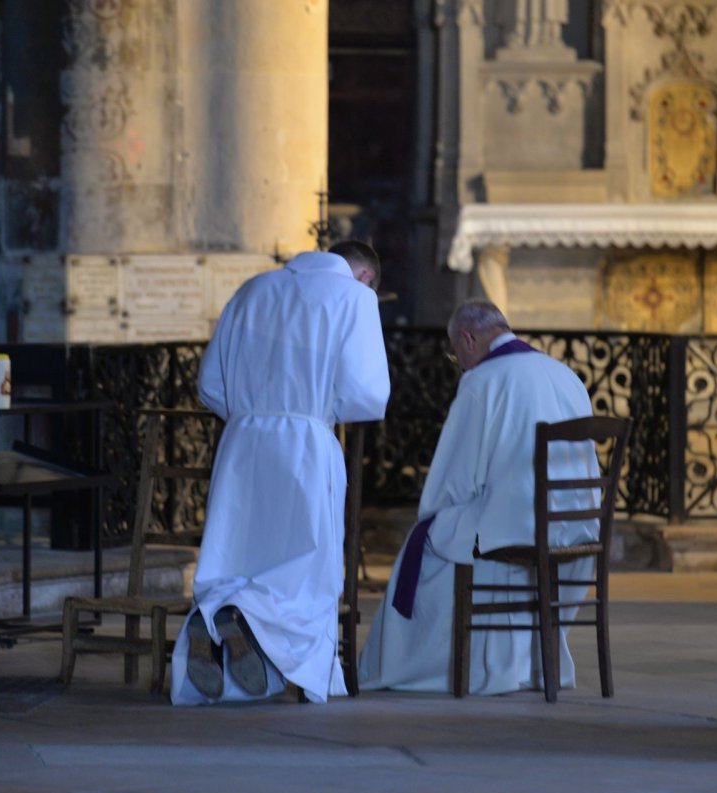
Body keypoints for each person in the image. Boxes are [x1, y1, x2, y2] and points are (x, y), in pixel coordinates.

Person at [170, 241, 390, 705]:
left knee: (239, 554)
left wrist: (253, 415)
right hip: (305, 443)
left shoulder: (253, 289)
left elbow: (210, 382)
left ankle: (215, 612)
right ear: (366, 276)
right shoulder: (355, 298)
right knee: (304, 568)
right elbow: (368, 394)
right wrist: (316, 409)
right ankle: (244, 618)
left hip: (242, 443)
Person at [358, 299, 599, 695]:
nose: (460, 365)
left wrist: (432, 513)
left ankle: (419, 667)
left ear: (468, 340)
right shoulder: (564, 374)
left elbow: (456, 479)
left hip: (516, 529)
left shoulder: (482, 382)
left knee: (428, 541)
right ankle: (527, 663)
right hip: (576, 526)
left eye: (457, 355)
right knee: (474, 521)